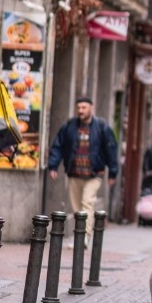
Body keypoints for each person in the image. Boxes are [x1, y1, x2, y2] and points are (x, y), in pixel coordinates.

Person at [48, 97, 118, 245]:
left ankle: (84, 237)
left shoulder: (102, 126)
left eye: (84, 107)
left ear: (91, 108)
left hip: (94, 173)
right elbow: (58, 145)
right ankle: (79, 236)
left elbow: (111, 149)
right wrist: (53, 166)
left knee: (87, 202)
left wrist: (113, 172)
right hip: (74, 173)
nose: (81, 110)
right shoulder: (69, 126)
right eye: (78, 107)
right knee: (77, 208)